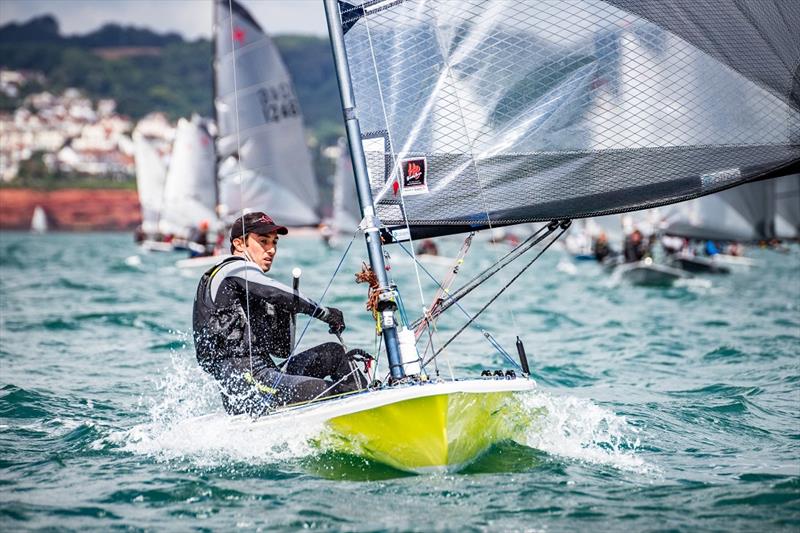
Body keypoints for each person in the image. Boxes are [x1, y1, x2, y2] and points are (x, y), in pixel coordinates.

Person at [193, 211, 367, 416]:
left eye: (274, 242)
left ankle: (369, 400)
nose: (271, 249)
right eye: (263, 241)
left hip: (268, 375)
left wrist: (286, 315)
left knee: (334, 353)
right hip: (249, 386)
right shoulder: (232, 269)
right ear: (240, 244)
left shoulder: (248, 291)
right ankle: (361, 412)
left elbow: (281, 350)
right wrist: (325, 313)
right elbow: (276, 292)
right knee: (328, 390)